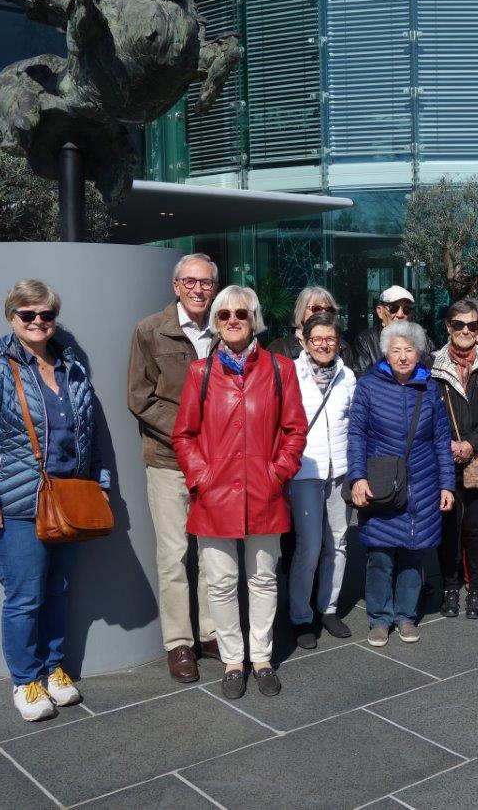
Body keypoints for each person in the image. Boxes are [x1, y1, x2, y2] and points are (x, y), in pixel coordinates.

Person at [0, 279, 109, 721]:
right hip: (18, 504)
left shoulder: (70, 363)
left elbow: (90, 434)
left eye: (46, 314)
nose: (38, 322)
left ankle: (53, 669)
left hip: (69, 499)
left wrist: (99, 483)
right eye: (28, 314)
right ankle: (25, 681)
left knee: (58, 591)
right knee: (24, 597)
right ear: (12, 317)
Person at [172, 285, 307, 700]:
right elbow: (184, 435)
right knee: (221, 583)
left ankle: (262, 657)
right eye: (225, 314)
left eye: (241, 314)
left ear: (255, 320)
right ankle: (233, 660)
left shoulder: (281, 369)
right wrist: (202, 476)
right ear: (216, 321)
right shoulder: (201, 373)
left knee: (264, 579)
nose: (233, 320)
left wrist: (277, 472)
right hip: (215, 496)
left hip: (263, 493)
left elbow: (295, 430)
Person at [127, 253, 223, 684]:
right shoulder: (150, 330)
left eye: (206, 282)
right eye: (190, 282)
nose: (199, 289)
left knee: (211, 553)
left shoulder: (227, 327)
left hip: (216, 463)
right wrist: (189, 435)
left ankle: (208, 633)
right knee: (173, 555)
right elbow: (140, 398)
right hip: (168, 460)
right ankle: (179, 643)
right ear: (176, 286)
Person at [348, 321, 455, 646]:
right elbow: (356, 435)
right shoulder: (368, 386)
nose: (403, 356)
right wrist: (357, 477)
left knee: (414, 551)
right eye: (396, 350)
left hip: (423, 481)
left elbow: (441, 439)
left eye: (409, 350)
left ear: (419, 353)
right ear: (386, 353)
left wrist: (447, 484)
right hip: (383, 481)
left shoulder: (430, 388)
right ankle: (379, 618)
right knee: (380, 554)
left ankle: (406, 615)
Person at [429, 301, 478, 619]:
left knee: (477, 524)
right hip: (444, 456)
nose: (465, 331)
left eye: (472, 326)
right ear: (448, 326)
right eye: (458, 325)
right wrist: (446, 444)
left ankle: (477, 588)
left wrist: (471, 444)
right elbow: (427, 412)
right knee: (447, 524)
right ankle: (449, 586)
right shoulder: (431, 363)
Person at [287, 312, 357, 649]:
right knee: (310, 545)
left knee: (339, 543)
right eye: (317, 339)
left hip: (339, 470)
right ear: (304, 340)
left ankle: (328, 608)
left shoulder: (348, 376)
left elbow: (354, 424)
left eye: (330, 338)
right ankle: (301, 615)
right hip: (304, 472)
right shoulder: (290, 374)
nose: (324, 344)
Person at [266, 286, 355, 368]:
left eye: (329, 310)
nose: (323, 314)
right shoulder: (279, 349)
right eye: (316, 309)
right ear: (301, 312)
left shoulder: (343, 348)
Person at [352, 285, 433, 375]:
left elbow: (433, 372)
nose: (400, 314)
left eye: (406, 310)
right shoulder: (366, 340)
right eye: (393, 309)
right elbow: (362, 377)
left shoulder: (422, 339)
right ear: (380, 311)